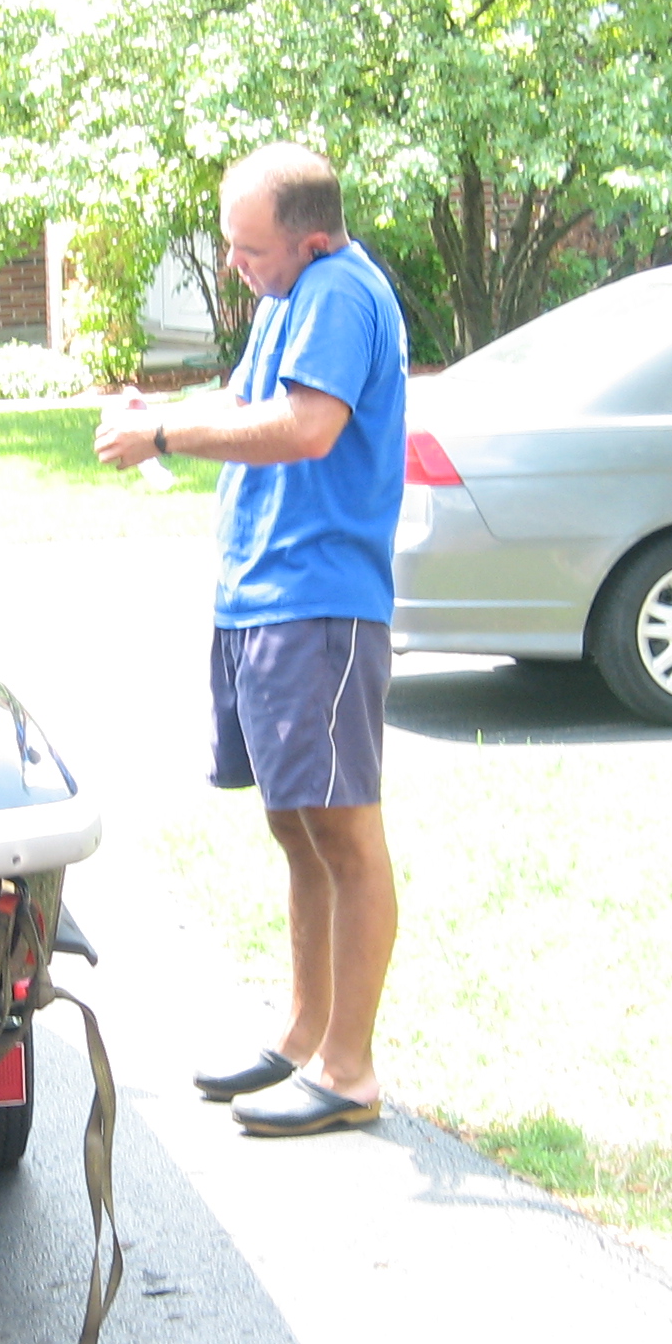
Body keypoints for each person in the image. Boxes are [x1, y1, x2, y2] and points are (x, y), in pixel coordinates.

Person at [94, 145, 406, 1137]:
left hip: (320, 602)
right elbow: (243, 403)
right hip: (259, 600)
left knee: (343, 832)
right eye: (230, 246)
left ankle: (349, 1071)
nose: (234, 266)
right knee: (296, 827)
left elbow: (307, 427)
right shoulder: (285, 297)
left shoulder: (339, 294)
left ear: (309, 240)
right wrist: (162, 413)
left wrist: (165, 440)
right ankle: (303, 1035)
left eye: (249, 249)